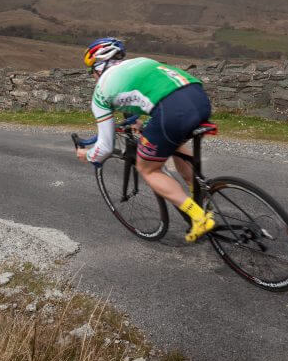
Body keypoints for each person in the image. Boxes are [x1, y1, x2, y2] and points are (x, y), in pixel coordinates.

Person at [74, 37, 215, 242]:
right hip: (197, 96)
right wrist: (146, 125)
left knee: (148, 169)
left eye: (92, 72)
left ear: (98, 67)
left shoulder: (101, 91)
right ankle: (199, 191)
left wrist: (87, 155)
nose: (93, 77)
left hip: (172, 112)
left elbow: (105, 148)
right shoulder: (142, 61)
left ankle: (198, 216)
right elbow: (156, 95)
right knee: (175, 141)